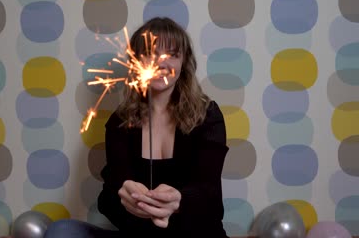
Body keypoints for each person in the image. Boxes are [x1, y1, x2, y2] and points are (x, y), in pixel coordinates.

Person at [45, 17, 230, 237]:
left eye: (172, 54)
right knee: (62, 231)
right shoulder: (120, 121)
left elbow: (210, 196)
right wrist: (126, 199)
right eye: (151, 53)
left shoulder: (207, 115)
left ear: (184, 62)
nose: (161, 63)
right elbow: (107, 200)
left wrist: (179, 201)